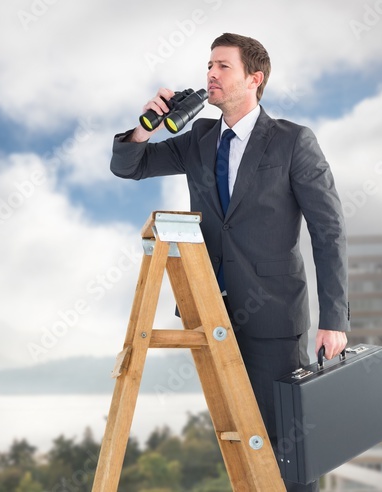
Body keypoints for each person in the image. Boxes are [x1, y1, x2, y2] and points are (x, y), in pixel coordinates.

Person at [109, 32, 349, 492]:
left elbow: (329, 230)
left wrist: (333, 318)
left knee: (283, 442)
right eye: (209, 66)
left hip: (273, 313)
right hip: (210, 310)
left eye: (223, 66)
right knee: (240, 439)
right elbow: (129, 165)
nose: (210, 75)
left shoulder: (292, 142)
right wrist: (148, 124)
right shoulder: (198, 137)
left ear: (254, 79)